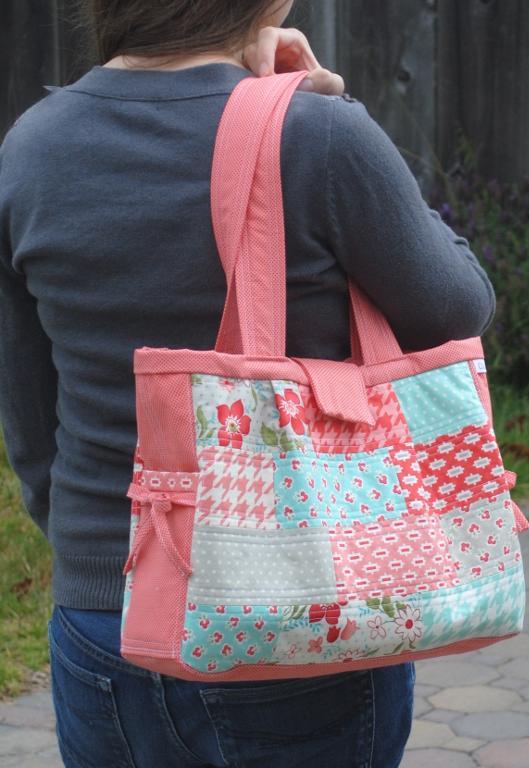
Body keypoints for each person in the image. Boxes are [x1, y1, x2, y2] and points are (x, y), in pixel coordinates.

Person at [0, 1, 496, 766]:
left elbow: (29, 413)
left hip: (101, 619)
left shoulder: (28, 149)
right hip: (298, 613)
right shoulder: (317, 135)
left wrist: (89, 545)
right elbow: (457, 308)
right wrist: (330, 103)